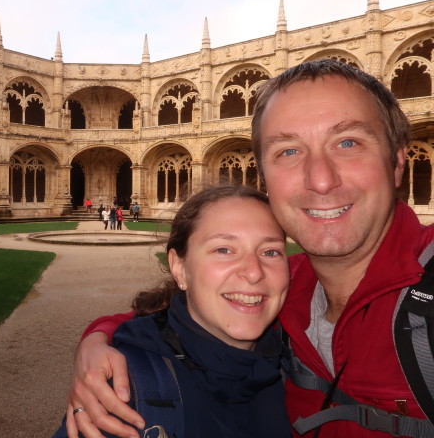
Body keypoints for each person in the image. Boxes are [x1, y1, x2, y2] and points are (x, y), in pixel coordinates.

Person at [64, 59, 434, 438]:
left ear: (398, 161)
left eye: (348, 142)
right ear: (265, 177)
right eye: (288, 151)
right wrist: (101, 339)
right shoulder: (283, 288)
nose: (321, 180)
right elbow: (179, 317)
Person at [52, 185, 290, 437]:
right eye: (223, 249)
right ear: (179, 268)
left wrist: (98, 334)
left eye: (270, 252)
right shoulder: (123, 394)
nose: (254, 272)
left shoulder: (291, 359)